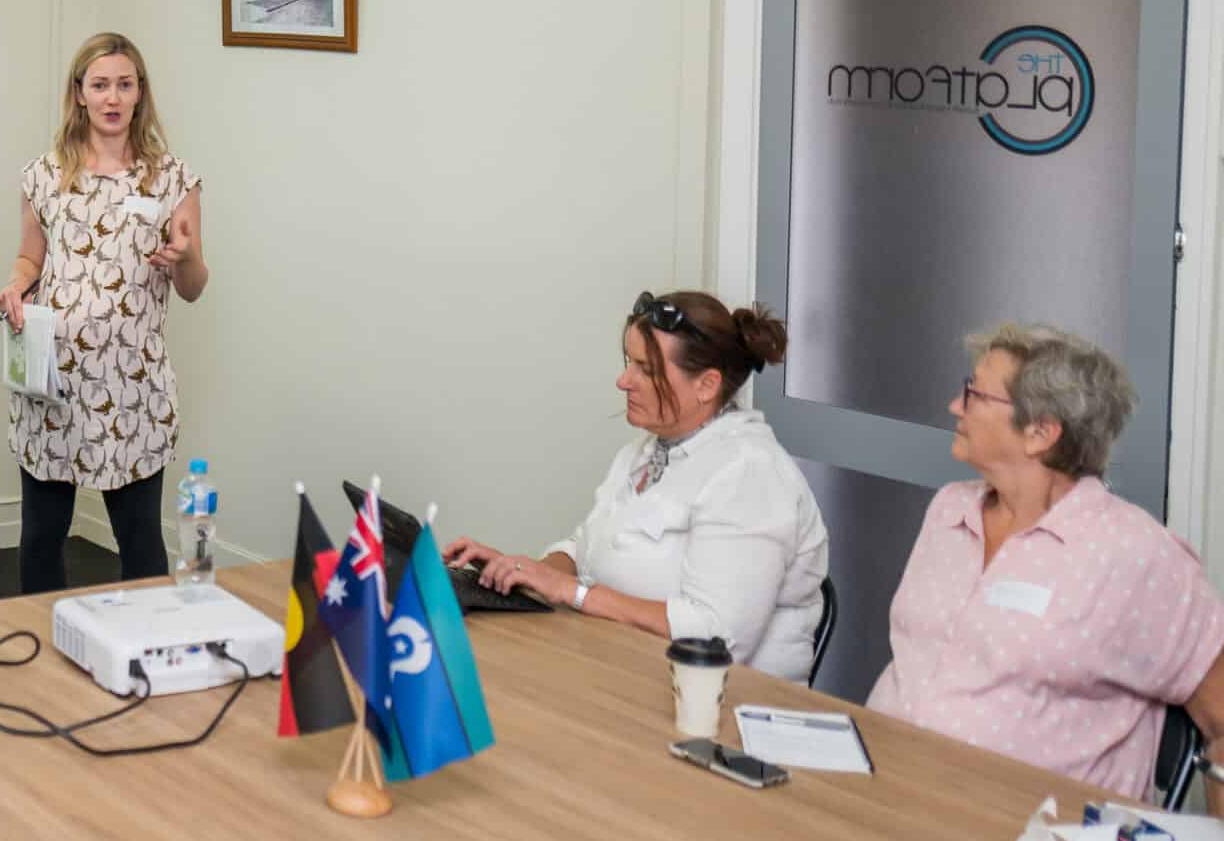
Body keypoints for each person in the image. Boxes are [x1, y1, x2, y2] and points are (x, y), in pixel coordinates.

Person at [867, 324, 1224, 797]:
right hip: (881, 785)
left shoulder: (1135, 555)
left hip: (1024, 836)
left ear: (1040, 433)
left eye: (974, 394)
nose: (956, 406)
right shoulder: (949, 510)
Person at [445, 290, 829, 680]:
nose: (624, 381)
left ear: (707, 385)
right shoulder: (644, 451)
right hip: (626, 670)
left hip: (725, 706)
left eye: (646, 370)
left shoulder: (750, 474)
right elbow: (585, 548)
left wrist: (571, 592)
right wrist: (521, 574)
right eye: (630, 362)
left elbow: (718, 636)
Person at [0, 32, 206, 594]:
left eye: (124, 84)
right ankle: (38, 647)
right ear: (80, 94)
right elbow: (29, 256)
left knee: (138, 540)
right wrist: (17, 285)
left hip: (133, 390)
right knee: (42, 534)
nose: (113, 97)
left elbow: (192, 287)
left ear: (140, 94)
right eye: (100, 85)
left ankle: (146, 652)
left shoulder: (172, 179)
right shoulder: (44, 175)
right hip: (52, 384)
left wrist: (184, 260)